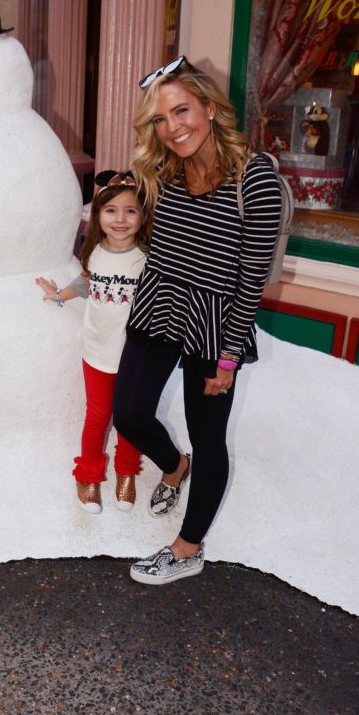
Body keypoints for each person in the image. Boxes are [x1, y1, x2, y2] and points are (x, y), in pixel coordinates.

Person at [112, 56, 282, 586]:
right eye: (160, 119)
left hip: (215, 323)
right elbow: (126, 224)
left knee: (209, 440)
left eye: (181, 111)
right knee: (129, 414)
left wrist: (228, 358)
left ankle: (187, 548)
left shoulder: (254, 177)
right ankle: (173, 465)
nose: (172, 127)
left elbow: (251, 280)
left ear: (209, 107)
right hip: (159, 304)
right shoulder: (163, 170)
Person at [36, 171, 150, 514]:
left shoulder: (147, 258)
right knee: (98, 416)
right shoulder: (96, 252)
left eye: (130, 211)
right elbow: (87, 282)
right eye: (111, 211)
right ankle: (88, 474)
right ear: (98, 215)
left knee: (130, 418)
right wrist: (59, 295)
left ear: (143, 216)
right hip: (97, 352)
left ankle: (126, 471)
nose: (120, 219)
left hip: (134, 357)